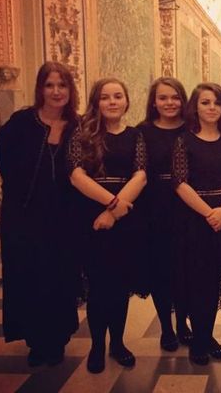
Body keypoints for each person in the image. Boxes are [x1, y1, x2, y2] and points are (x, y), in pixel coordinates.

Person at [0, 61, 81, 367]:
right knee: (29, 275)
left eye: (62, 85)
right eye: (49, 85)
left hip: (65, 217)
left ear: (71, 90)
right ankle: (35, 338)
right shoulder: (21, 123)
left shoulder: (78, 126)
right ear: (40, 89)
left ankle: (56, 338)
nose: (56, 91)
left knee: (60, 277)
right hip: (25, 215)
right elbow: (3, 157)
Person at [67, 78, 148, 373]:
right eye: (105, 97)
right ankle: (97, 346)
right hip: (90, 216)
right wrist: (111, 204)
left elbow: (141, 175)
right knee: (99, 285)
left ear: (126, 101)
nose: (112, 102)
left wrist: (114, 212)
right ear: (96, 102)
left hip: (125, 219)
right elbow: (76, 175)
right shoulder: (84, 135)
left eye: (118, 96)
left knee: (121, 284)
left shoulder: (135, 135)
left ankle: (118, 342)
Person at [172, 83, 221, 365]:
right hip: (194, 221)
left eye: (217, 102)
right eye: (205, 102)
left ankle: (207, 335)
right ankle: (199, 339)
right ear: (195, 107)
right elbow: (180, 182)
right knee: (197, 281)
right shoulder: (184, 141)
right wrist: (209, 213)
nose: (211, 107)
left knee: (215, 281)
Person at [137, 77, 193, 351]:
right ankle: (167, 328)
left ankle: (183, 323)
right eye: (163, 98)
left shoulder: (192, 130)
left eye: (175, 97)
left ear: (183, 100)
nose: (170, 103)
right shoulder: (143, 132)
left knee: (185, 269)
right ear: (154, 102)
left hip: (187, 208)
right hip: (154, 208)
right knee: (161, 270)